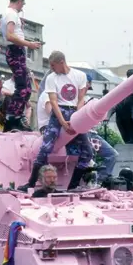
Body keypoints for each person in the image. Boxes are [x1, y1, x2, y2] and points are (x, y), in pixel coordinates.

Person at [18, 51, 94, 191]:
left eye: (53, 65)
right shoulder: (52, 78)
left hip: (74, 111)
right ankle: (31, 182)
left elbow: (81, 98)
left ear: (61, 62)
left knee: (87, 152)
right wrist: (63, 122)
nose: (52, 69)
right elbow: (53, 102)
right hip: (58, 112)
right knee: (45, 148)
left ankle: (73, 186)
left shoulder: (80, 76)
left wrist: (76, 117)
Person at [0, 0, 42, 132]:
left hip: (17, 52)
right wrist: (29, 44)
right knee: (23, 87)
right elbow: (11, 35)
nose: (23, 6)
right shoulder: (11, 14)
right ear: (18, 1)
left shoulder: (9, 13)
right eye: (23, 3)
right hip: (15, 51)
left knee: (27, 87)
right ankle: (12, 117)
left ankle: (17, 116)